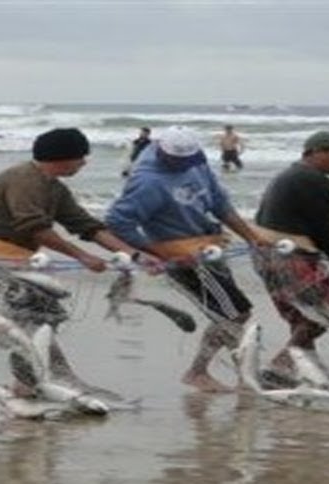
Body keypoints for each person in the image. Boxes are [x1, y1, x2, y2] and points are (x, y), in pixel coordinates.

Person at [0, 127, 158, 392]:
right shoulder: (24, 179)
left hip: (15, 259)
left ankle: (38, 380)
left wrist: (133, 255)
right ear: (62, 157)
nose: (85, 163)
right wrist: (82, 256)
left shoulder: (55, 188)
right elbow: (35, 228)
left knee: (46, 315)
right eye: (81, 157)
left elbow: (87, 226)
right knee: (27, 320)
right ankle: (40, 381)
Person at [106, 126, 265, 393]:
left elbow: (219, 203)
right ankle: (231, 375)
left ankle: (204, 372)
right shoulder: (148, 182)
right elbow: (118, 222)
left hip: (207, 245)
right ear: (162, 153)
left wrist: (251, 237)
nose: (185, 165)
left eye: (189, 160)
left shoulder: (197, 161)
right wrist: (155, 255)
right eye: (178, 162)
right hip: (180, 255)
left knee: (233, 313)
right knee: (234, 313)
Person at [253, 130, 329, 374]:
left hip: (266, 253)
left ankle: (306, 366)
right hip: (291, 256)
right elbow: (327, 231)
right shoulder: (314, 180)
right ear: (317, 152)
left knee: (301, 316)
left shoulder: (290, 174)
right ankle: (284, 361)